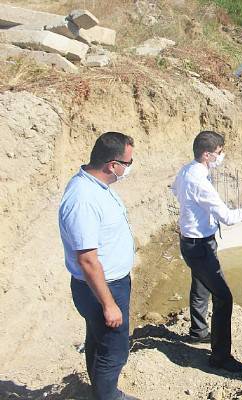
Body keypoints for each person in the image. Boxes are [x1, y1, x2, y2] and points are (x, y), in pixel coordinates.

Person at [172, 130, 242, 373]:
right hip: (199, 245)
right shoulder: (200, 182)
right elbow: (229, 217)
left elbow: (175, 191)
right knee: (223, 297)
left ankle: (199, 331)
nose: (223, 156)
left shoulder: (186, 171)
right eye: (220, 152)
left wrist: (191, 218)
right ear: (207, 155)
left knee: (200, 285)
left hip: (192, 241)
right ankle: (220, 357)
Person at [58, 132, 138, 400]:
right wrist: (108, 304)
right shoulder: (83, 199)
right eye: (127, 162)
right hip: (103, 288)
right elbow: (87, 260)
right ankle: (108, 396)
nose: (129, 167)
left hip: (109, 284)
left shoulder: (97, 187)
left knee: (97, 339)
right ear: (112, 165)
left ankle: (100, 390)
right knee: (115, 351)